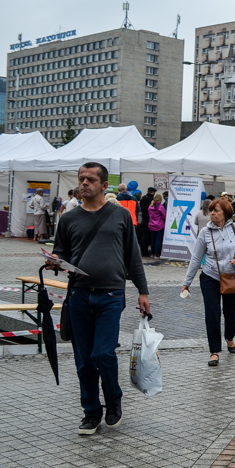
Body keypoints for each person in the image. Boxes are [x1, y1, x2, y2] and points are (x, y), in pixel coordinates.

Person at [50, 162, 150, 435]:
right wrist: (55, 262)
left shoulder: (120, 215)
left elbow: (133, 256)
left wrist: (143, 291)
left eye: (90, 180)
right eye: (81, 179)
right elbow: (61, 253)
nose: (84, 183)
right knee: (83, 359)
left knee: (103, 352)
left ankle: (113, 400)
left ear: (104, 186)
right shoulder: (69, 218)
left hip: (110, 295)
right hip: (79, 295)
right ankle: (91, 412)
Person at [181, 198, 235, 366]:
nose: (212, 213)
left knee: (231, 312)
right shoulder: (205, 232)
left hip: (232, 277)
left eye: (216, 210)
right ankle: (214, 351)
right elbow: (196, 258)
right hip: (210, 277)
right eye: (211, 210)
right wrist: (187, 282)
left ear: (225, 213)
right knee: (212, 314)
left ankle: (229, 338)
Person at [147, 194, 166, 258]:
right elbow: (164, 216)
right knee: (158, 240)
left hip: (151, 225)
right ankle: (156, 254)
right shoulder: (161, 207)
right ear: (160, 199)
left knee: (152, 240)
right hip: (159, 225)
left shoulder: (150, 207)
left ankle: (152, 254)